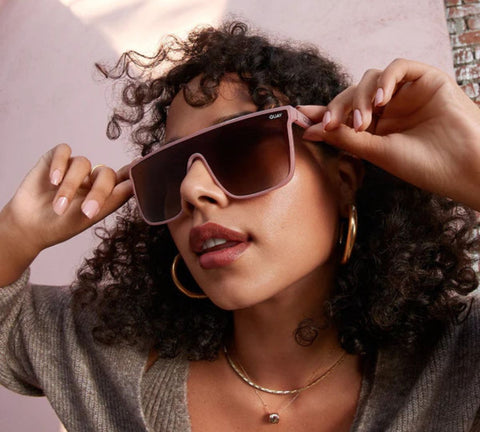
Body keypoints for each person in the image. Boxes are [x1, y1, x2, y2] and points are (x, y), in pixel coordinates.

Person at [0, 21, 479, 432]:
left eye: (244, 149)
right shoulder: (106, 355)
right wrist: (13, 235)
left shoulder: (457, 365)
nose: (193, 190)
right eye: (170, 170)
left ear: (344, 180)